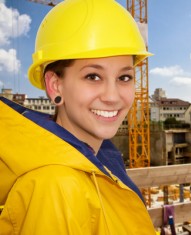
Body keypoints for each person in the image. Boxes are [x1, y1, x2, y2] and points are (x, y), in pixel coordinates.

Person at [0, 0, 155, 234]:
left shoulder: (99, 161)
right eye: (93, 76)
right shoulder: (54, 187)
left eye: (124, 77)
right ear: (55, 85)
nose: (112, 97)